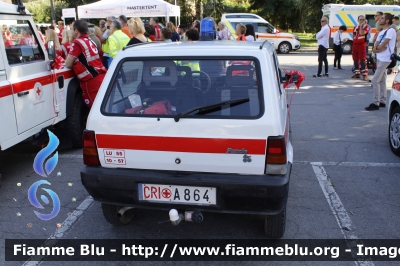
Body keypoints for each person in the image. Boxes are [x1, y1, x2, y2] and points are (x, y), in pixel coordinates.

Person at [65, 19, 107, 108]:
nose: (71, 31)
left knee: (94, 110)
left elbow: (68, 64)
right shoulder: (90, 40)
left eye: (72, 29)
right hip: (100, 76)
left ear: (76, 31)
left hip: (90, 81)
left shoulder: (77, 43)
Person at [365, 13, 396, 111]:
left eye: (382, 18)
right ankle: (382, 101)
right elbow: (376, 46)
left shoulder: (391, 31)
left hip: (386, 59)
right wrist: (377, 49)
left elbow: (384, 45)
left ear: (387, 20)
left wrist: (377, 48)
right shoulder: (382, 31)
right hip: (380, 58)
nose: (379, 19)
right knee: (382, 80)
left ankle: (376, 103)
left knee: (375, 80)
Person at [351, 15, 370, 81]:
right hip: (355, 45)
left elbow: (362, 33)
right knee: (355, 59)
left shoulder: (366, 27)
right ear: (358, 20)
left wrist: (361, 26)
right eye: (360, 19)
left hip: (362, 45)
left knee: (363, 60)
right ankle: (357, 73)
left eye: (362, 19)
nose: (361, 21)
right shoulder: (355, 27)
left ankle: (365, 74)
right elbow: (354, 35)